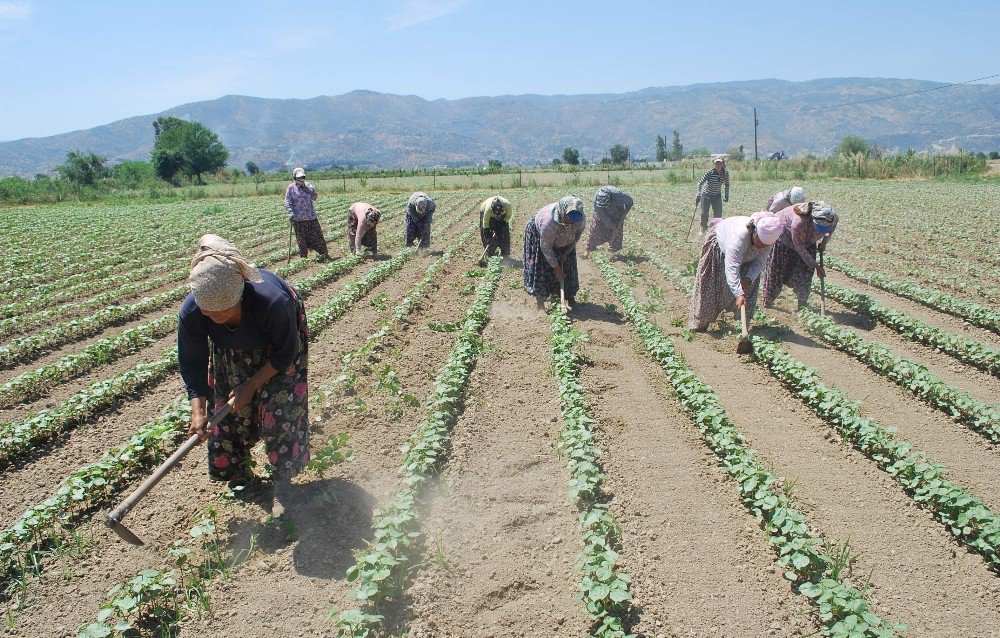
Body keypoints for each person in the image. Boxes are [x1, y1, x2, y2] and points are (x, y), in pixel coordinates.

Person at [178, 234, 310, 517]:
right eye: (210, 315)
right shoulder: (192, 311)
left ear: (240, 295)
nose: (216, 320)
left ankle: (283, 483)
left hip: (276, 344)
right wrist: (198, 412)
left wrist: (252, 384)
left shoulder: (273, 303)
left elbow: (286, 354)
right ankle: (240, 478)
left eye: (224, 314)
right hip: (230, 349)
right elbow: (192, 361)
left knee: (280, 406)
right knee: (226, 409)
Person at [688, 212, 783, 331]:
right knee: (711, 287)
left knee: (749, 288)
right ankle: (700, 325)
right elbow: (732, 267)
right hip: (721, 249)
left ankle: (740, 328)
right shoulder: (739, 238)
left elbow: (760, 262)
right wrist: (738, 293)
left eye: (765, 245)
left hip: (746, 255)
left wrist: (748, 278)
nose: (761, 247)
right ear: (755, 233)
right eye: (761, 243)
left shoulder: (767, 242)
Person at [761, 201, 839, 309]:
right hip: (785, 239)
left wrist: (824, 242)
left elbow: (829, 231)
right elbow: (800, 248)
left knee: (805, 273)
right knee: (777, 273)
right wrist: (816, 266)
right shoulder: (799, 222)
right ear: (812, 220)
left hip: (808, 240)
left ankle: (802, 305)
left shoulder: (833, 218)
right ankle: (768, 302)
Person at [523, 195, 586, 309]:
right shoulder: (549, 222)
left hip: (565, 239)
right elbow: (546, 248)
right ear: (563, 212)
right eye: (570, 216)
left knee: (568, 266)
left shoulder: (579, 220)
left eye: (575, 217)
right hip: (540, 236)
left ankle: (570, 298)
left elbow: (576, 237)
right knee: (541, 266)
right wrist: (556, 268)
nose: (572, 220)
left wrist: (566, 252)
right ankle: (540, 303)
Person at [284, 167, 332, 261]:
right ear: (294, 178)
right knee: (301, 239)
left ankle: (324, 254)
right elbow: (287, 201)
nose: (301, 179)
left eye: (302, 177)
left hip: (311, 217)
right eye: (299, 178)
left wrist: (307, 189)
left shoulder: (308, 185)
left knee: (317, 237)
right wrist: (290, 211)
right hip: (298, 220)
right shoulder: (291, 188)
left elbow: (315, 197)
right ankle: (304, 258)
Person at [584, 186, 634, 258]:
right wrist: (612, 227)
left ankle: (611, 252)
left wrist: (625, 212)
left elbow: (630, 201)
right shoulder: (597, 201)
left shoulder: (619, 195)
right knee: (595, 229)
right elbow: (603, 216)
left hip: (617, 212)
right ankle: (588, 249)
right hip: (601, 214)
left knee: (617, 233)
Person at [696, 157, 731, 234]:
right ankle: (703, 228)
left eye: (720, 163)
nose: (718, 165)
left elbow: (727, 185)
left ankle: (715, 230)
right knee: (704, 214)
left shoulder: (725, 174)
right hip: (706, 195)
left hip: (717, 195)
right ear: (714, 164)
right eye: (716, 163)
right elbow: (700, 183)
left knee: (718, 215)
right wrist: (698, 194)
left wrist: (726, 195)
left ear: (723, 164)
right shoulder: (709, 172)